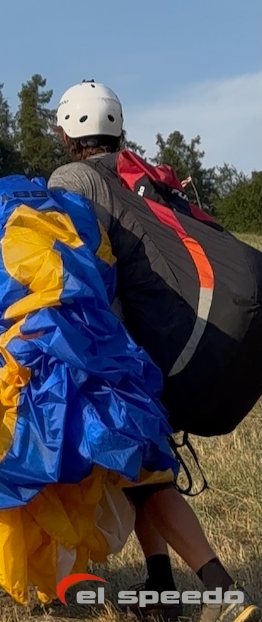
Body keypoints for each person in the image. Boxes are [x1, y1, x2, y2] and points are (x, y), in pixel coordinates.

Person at [49, 81, 260, 622]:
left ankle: (221, 592)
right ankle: (162, 587)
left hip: (130, 351)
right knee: (140, 469)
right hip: (173, 340)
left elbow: (78, 269)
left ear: (68, 129)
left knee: (149, 473)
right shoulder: (143, 177)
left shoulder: (72, 179)